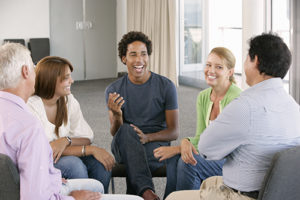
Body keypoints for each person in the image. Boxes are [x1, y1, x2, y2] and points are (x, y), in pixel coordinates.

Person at [166, 33, 300, 200]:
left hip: (243, 195)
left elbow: (206, 147)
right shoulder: (294, 108)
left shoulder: (244, 105)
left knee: (174, 197)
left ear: (255, 60)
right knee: (208, 182)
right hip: (276, 192)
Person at [0, 42, 102, 200]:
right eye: (33, 67)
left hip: (15, 188)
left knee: (96, 185)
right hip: (27, 192)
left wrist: (49, 178)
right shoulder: (28, 126)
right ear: (26, 71)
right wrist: (74, 199)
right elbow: (35, 197)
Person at [154, 47, 242, 198]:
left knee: (188, 162)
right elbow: (202, 136)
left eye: (218, 67)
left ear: (230, 72)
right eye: (208, 65)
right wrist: (186, 141)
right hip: (212, 154)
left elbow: (224, 145)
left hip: (233, 161)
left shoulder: (236, 98)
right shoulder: (203, 96)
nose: (211, 70)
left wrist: (179, 148)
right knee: (175, 159)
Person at [105, 31, 179, 200]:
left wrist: (147, 137)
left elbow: (173, 131)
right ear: (124, 58)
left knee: (135, 161)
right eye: (133, 55)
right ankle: (146, 191)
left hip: (155, 144)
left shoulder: (166, 86)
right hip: (125, 142)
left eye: (143, 54)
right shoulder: (113, 90)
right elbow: (115, 133)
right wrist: (117, 115)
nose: (139, 60)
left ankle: (143, 193)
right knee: (125, 130)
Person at [27, 56, 114, 193]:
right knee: (74, 165)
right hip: (40, 161)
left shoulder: (68, 100)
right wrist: (90, 149)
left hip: (64, 154)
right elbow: (47, 150)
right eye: (66, 78)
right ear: (51, 79)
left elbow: (86, 137)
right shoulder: (31, 106)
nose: (72, 81)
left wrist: (66, 140)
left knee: (101, 163)